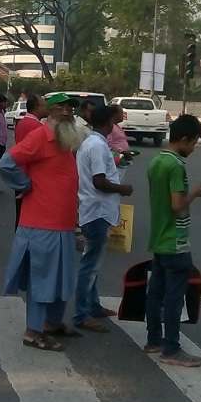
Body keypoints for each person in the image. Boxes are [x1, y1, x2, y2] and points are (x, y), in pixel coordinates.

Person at [0, 93, 84, 352]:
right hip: (41, 224)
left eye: (70, 108)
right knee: (42, 280)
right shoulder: (39, 136)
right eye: (60, 108)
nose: (67, 113)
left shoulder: (65, 140)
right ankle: (33, 331)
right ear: (49, 112)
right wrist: (24, 184)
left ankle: (52, 322)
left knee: (60, 279)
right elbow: (7, 162)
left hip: (62, 224)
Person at [145, 115, 201, 367]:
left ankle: (154, 340)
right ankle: (171, 348)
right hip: (176, 241)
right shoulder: (176, 166)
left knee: (156, 292)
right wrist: (195, 192)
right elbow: (177, 205)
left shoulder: (156, 161)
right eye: (193, 143)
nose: (193, 148)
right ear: (184, 139)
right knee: (174, 297)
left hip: (159, 237)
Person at [74, 105, 134, 333]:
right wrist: (122, 188)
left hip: (94, 209)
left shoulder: (91, 142)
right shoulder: (97, 145)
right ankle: (82, 313)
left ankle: (92, 305)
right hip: (97, 210)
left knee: (93, 263)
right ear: (109, 122)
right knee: (90, 265)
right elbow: (99, 180)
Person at [11, 94, 47, 227]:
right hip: (28, 175)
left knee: (20, 214)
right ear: (37, 108)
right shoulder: (36, 126)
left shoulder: (23, 122)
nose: (47, 108)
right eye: (44, 105)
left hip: (20, 173)